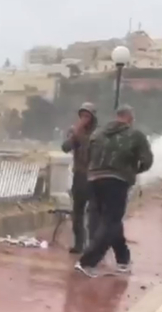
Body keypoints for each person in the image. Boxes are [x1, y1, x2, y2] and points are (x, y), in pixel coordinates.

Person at [75, 104, 153, 278]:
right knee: (111, 222)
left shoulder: (98, 133)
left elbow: (86, 156)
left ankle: (123, 260)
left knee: (111, 221)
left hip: (94, 179)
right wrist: (132, 171)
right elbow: (147, 161)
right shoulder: (135, 135)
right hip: (117, 181)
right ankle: (87, 262)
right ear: (130, 118)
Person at [61, 102, 98, 254]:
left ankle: (94, 244)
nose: (84, 119)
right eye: (82, 115)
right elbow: (65, 147)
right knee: (77, 212)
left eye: (87, 116)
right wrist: (76, 132)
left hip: (95, 177)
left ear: (93, 118)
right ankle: (79, 244)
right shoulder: (75, 131)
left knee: (95, 212)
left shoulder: (99, 133)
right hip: (80, 176)